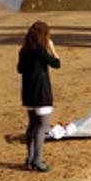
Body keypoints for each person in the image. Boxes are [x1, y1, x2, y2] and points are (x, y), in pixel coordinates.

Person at [17, 21, 61, 172]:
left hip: (28, 92)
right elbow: (56, 64)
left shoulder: (24, 50)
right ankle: (37, 159)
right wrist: (52, 49)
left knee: (32, 124)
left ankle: (30, 158)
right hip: (41, 92)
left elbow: (20, 69)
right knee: (43, 125)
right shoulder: (41, 51)